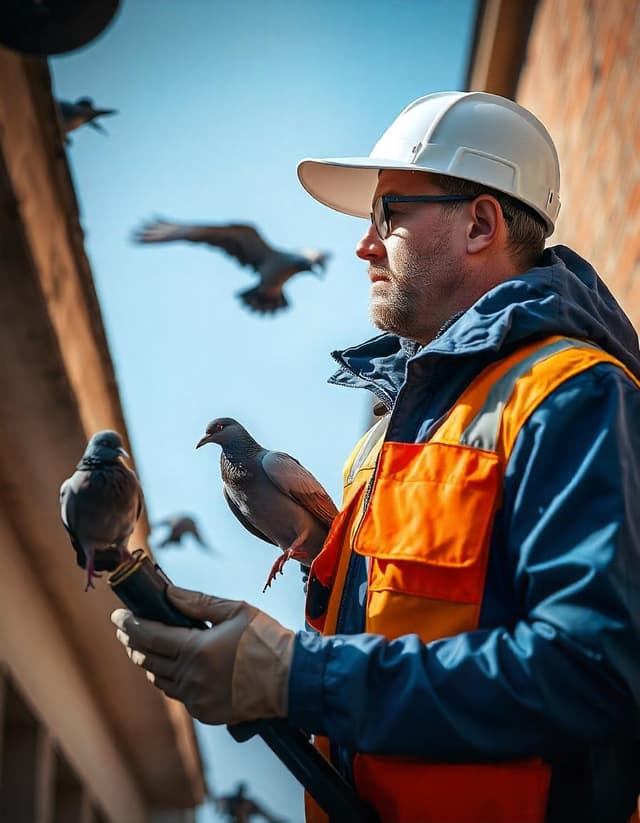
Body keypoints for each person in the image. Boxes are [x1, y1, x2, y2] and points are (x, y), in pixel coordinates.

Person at [111, 92, 640, 823]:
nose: (363, 245)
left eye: (388, 216)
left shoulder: (569, 395)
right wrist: (258, 653)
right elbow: (380, 650)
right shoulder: (382, 444)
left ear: (481, 223)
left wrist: (298, 676)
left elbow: (597, 674)